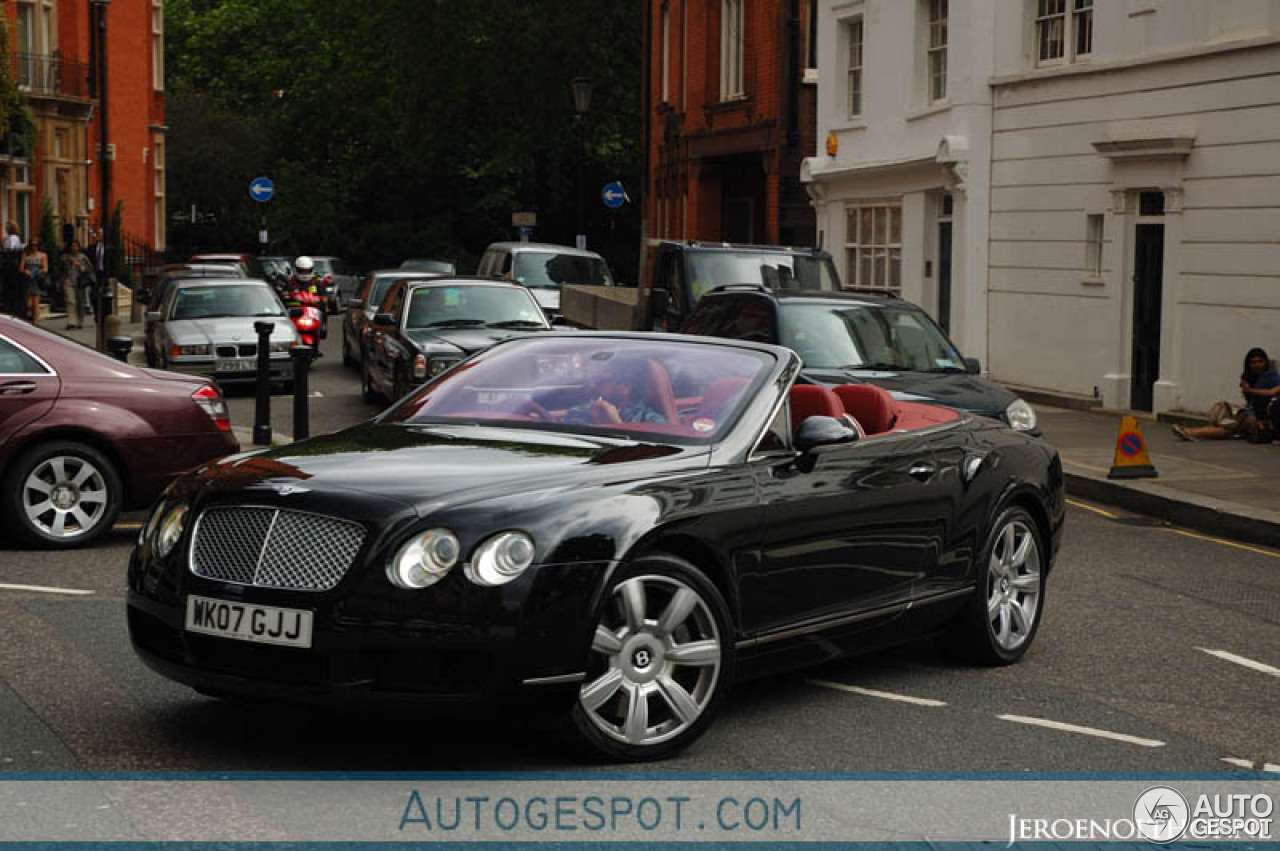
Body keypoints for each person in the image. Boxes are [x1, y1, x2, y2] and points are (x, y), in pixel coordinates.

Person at [1173, 347, 1280, 442]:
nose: (1257, 365)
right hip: (1251, 416)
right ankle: (1191, 432)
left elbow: (1273, 392)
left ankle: (1192, 432)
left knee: (1231, 421)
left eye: (1260, 362)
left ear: (1265, 362)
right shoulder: (1250, 378)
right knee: (1228, 429)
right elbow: (1250, 402)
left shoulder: (1271, 376)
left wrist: (1250, 390)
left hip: (1263, 420)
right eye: (1253, 362)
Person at [562, 358, 669, 425]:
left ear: (625, 387)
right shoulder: (578, 413)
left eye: (602, 381)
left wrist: (617, 424)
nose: (592, 386)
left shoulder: (649, 419)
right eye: (592, 380)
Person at [60, 240, 94, 330]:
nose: (74, 248)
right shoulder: (65, 257)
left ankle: (80, 321)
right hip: (69, 281)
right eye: (72, 246)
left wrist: (79, 266)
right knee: (70, 301)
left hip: (80, 282)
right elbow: (61, 270)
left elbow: (89, 269)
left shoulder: (83, 257)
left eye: (76, 246)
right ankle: (71, 321)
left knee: (80, 302)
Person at [19, 238, 48, 323]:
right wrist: (25, 271)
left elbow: (45, 268)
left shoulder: (43, 255)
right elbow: (21, 268)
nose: (34, 247)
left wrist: (38, 271)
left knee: (36, 303)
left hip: (37, 280)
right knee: (28, 304)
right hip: (28, 280)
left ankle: (35, 322)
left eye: (36, 245)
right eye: (32, 245)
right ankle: (30, 317)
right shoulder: (25, 255)